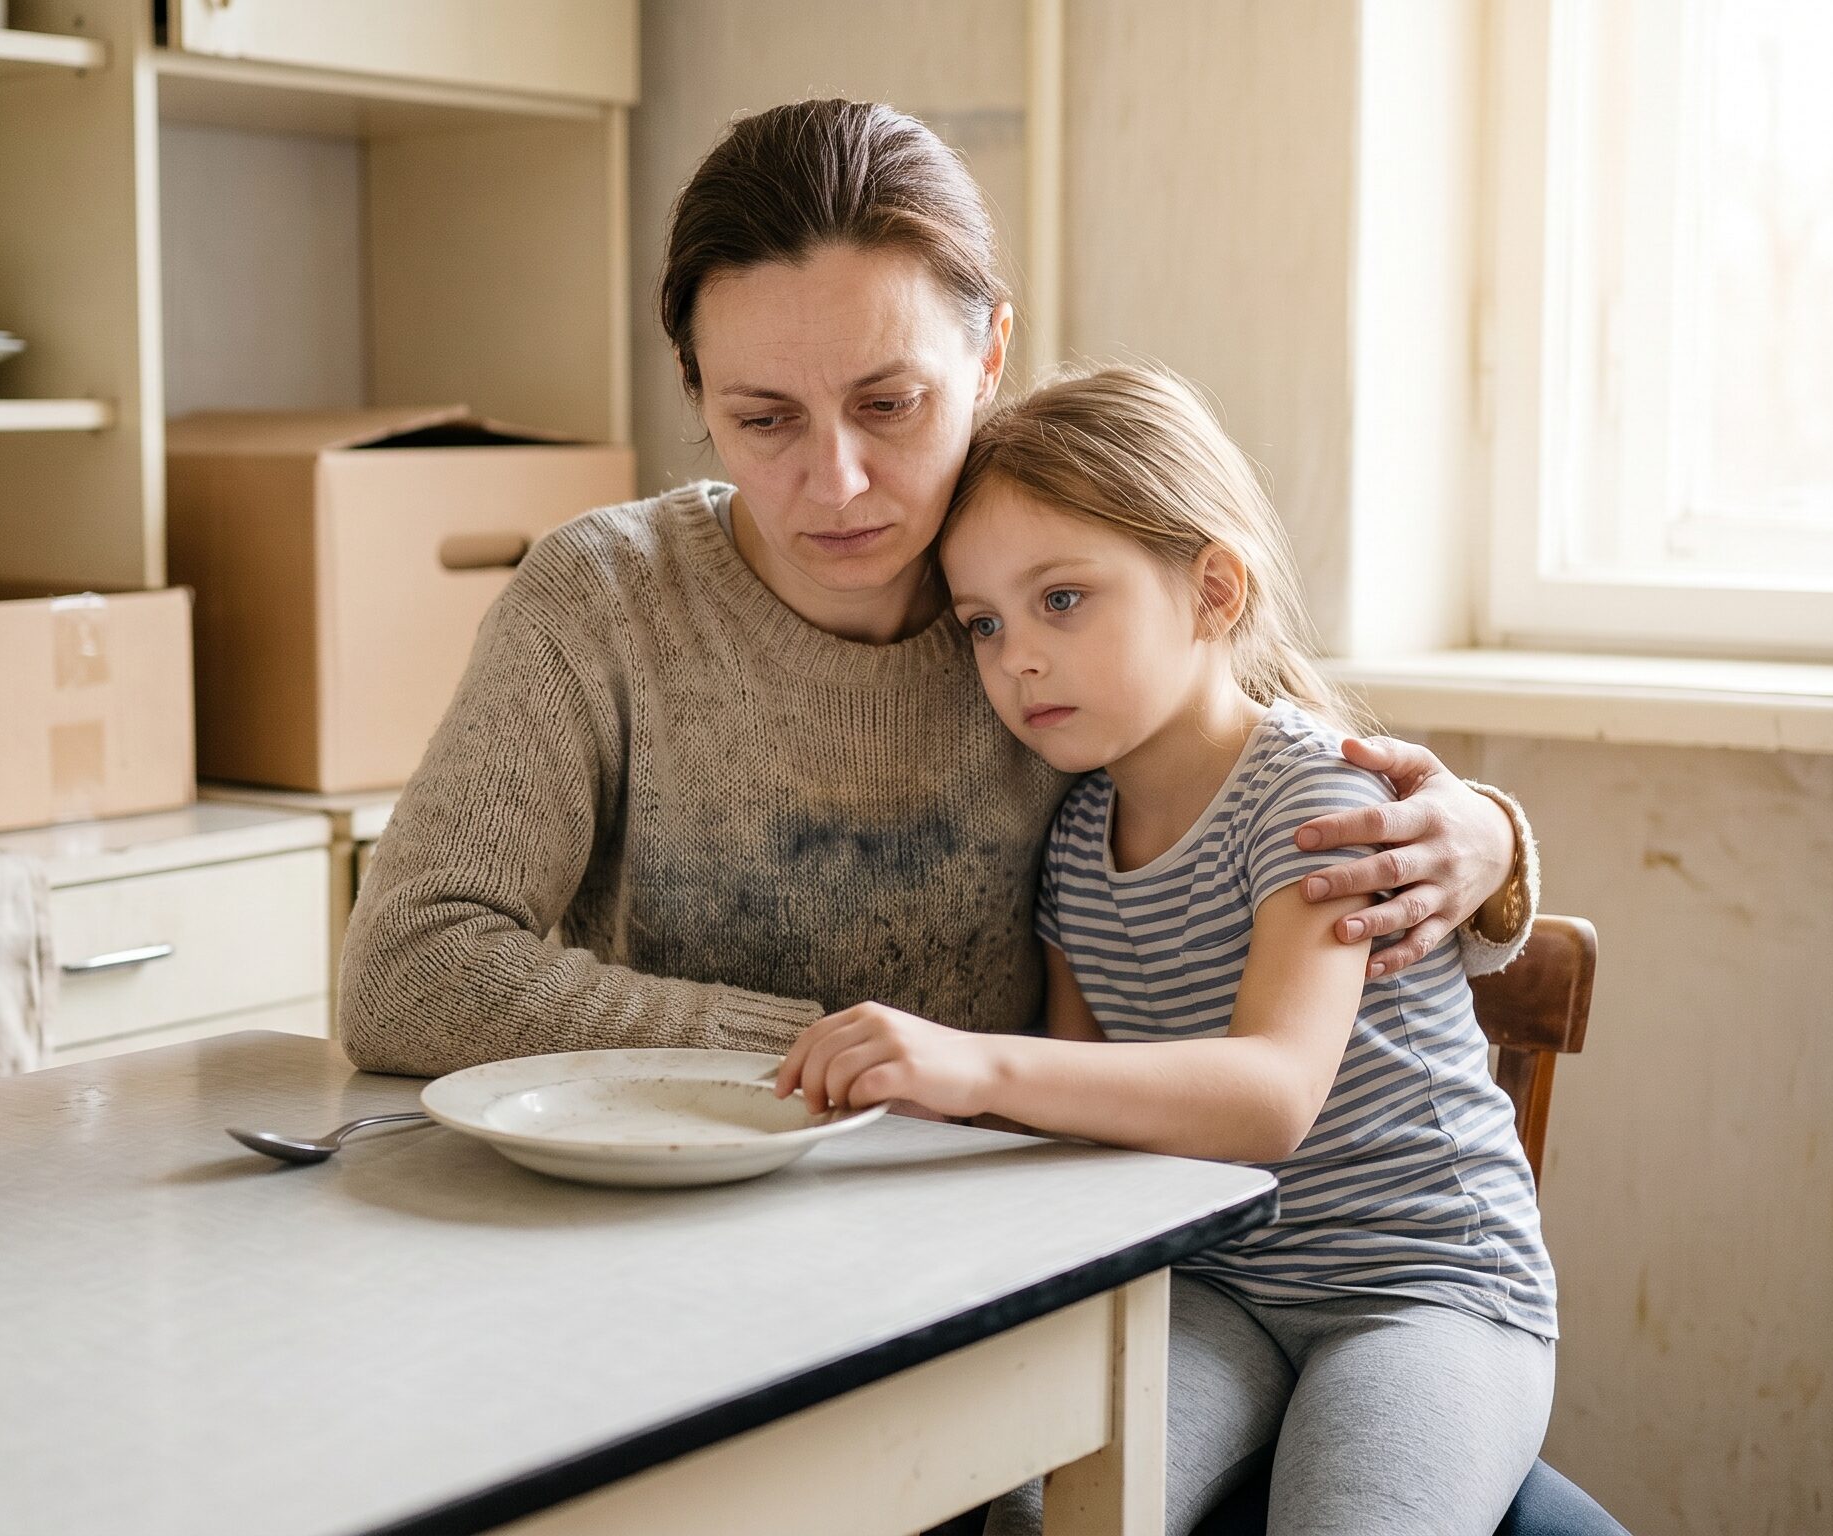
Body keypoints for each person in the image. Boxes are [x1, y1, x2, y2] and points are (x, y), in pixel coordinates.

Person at [336, 98, 1537, 1087]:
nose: (836, 482)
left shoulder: (1061, 579)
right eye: (762, 420)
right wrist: (806, 1055)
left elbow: (1262, 753)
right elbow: (406, 972)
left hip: (996, 1225)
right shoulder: (601, 600)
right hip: (681, 1225)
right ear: (695, 395)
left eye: (888, 403)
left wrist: (1486, 840)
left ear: (989, 357)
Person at [777, 364, 1556, 1535]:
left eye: (1062, 600)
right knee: (1038, 1512)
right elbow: (1093, 1137)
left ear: (1211, 590)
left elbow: (1268, 1096)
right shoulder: (1074, 841)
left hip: (1422, 1292)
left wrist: (972, 1064)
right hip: (1216, 1289)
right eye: (984, 623)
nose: (1016, 657)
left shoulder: (1313, 798)